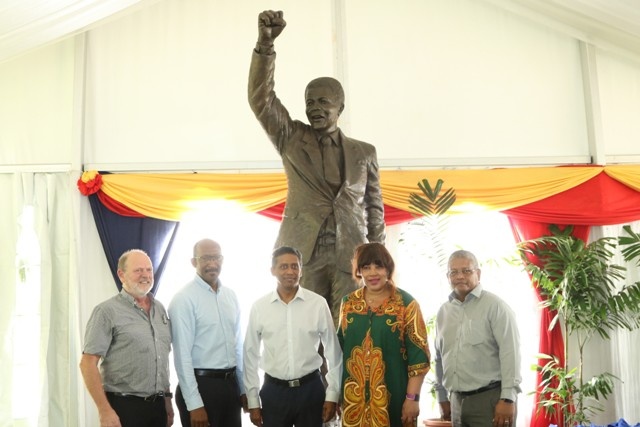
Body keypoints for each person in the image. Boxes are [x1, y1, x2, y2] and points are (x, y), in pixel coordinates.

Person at [248, 10, 386, 324]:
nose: (314, 108)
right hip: (302, 255)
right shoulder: (292, 138)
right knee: (305, 330)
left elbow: (374, 207)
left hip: (349, 256)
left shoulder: (364, 152)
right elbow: (261, 99)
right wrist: (265, 45)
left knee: (349, 331)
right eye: (310, 102)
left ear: (340, 106)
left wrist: (376, 256)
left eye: (323, 102)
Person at [243, 246, 343, 427]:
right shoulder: (260, 307)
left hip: (311, 390)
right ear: (272, 270)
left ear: (301, 270)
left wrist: (332, 394)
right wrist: (253, 401)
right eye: (283, 267)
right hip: (274, 392)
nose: (290, 271)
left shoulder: (318, 304)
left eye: (295, 266)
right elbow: (250, 355)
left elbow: (333, 352)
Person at [338, 242, 431, 427]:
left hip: (395, 399)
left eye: (378, 266)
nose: (373, 273)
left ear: (388, 269)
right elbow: (340, 350)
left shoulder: (406, 304)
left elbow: (418, 357)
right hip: (354, 402)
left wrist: (412, 398)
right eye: (366, 267)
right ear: (359, 271)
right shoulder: (348, 303)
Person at [79, 249, 174, 427]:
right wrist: (104, 410)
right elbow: (87, 363)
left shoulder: (159, 309)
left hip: (158, 407)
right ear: (121, 275)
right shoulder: (106, 312)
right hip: (124, 408)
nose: (145, 275)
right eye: (138, 270)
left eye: (148, 270)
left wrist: (167, 401)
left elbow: (161, 360)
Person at [434, 250, 522, 427]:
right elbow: (439, 358)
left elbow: (510, 354)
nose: (460, 276)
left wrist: (507, 399)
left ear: (478, 273)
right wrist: (442, 397)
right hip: (456, 403)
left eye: (466, 271)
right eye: (454, 272)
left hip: (491, 401)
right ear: (447, 276)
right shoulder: (444, 311)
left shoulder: (495, 307)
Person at [168, 239, 247, 427]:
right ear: (194, 262)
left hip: (230, 387)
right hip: (201, 387)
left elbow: (238, 347)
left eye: (217, 257)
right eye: (205, 258)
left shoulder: (231, 296)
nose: (212, 263)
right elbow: (182, 356)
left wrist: (243, 389)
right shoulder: (183, 299)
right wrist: (194, 404)